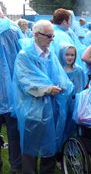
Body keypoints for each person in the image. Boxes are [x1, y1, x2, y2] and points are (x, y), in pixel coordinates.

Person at [12, 20, 74, 174]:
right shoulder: (24, 56)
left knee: (51, 144)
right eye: (49, 35)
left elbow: (60, 75)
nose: (52, 38)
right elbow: (26, 82)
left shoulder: (50, 53)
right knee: (30, 147)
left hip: (52, 108)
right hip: (33, 110)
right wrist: (48, 89)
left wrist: (63, 86)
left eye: (53, 35)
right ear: (36, 35)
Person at [0, 18, 22, 173]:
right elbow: (24, 55)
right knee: (14, 132)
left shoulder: (12, 30)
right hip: (12, 92)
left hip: (9, 91)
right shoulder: (13, 31)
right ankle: (16, 165)